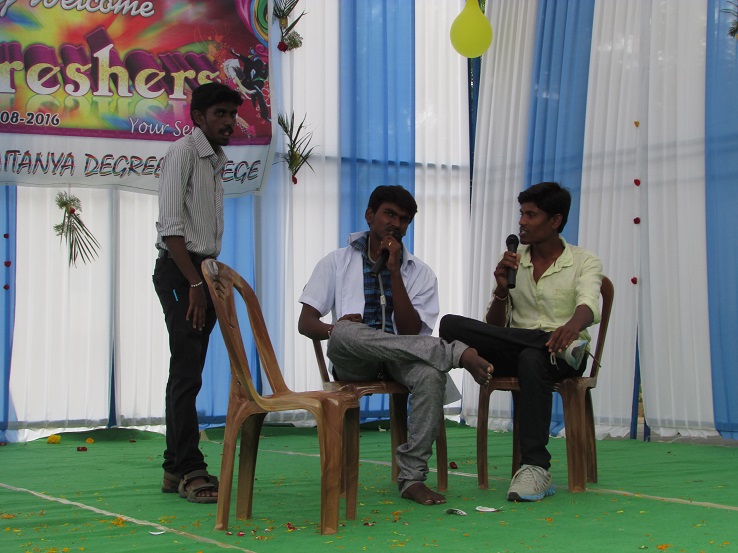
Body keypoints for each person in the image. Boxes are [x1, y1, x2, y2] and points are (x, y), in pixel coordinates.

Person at [297, 185, 493, 506]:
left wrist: (394, 273)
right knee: (344, 332)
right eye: (389, 214)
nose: (396, 224)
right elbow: (306, 323)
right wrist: (336, 328)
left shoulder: (420, 273)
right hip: (354, 358)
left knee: (431, 376)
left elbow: (411, 332)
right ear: (369, 215)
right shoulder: (335, 261)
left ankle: (412, 478)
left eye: (404, 220)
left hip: (401, 360)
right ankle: (453, 352)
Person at [439, 181, 603, 502]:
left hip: (566, 354)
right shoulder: (515, 263)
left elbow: (588, 304)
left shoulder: (584, 261)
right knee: (449, 324)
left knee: (533, 357)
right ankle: (541, 340)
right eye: (521, 214)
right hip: (521, 350)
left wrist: (571, 327)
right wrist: (502, 289)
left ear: (555, 221)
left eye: (531, 215)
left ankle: (536, 467)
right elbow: (494, 328)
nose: (521, 222)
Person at [152, 82, 243, 504]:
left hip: (201, 273)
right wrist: (193, 284)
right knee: (186, 373)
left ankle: (175, 467)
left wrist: (205, 280)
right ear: (199, 117)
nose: (229, 121)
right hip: (181, 272)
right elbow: (171, 228)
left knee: (189, 371)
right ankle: (190, 468)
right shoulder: (183, 153)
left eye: (232, 114)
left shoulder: (215, 160)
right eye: (220, 113)